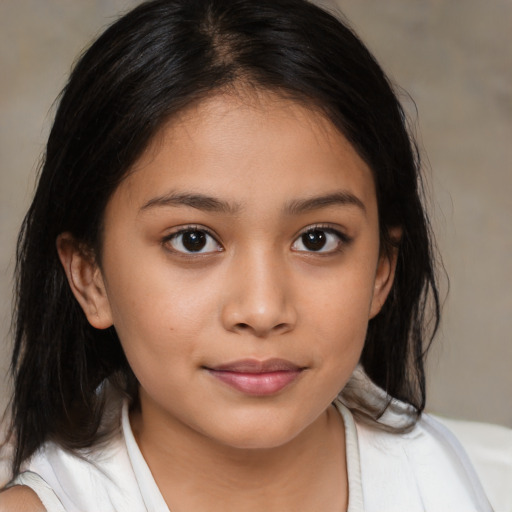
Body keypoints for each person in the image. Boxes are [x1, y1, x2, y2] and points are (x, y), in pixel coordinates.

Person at [0, 0, 493, 510]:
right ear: (90, 278)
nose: (262, 310)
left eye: (317, 239)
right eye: (192, 240)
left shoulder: (433, 472)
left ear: (381, 270)